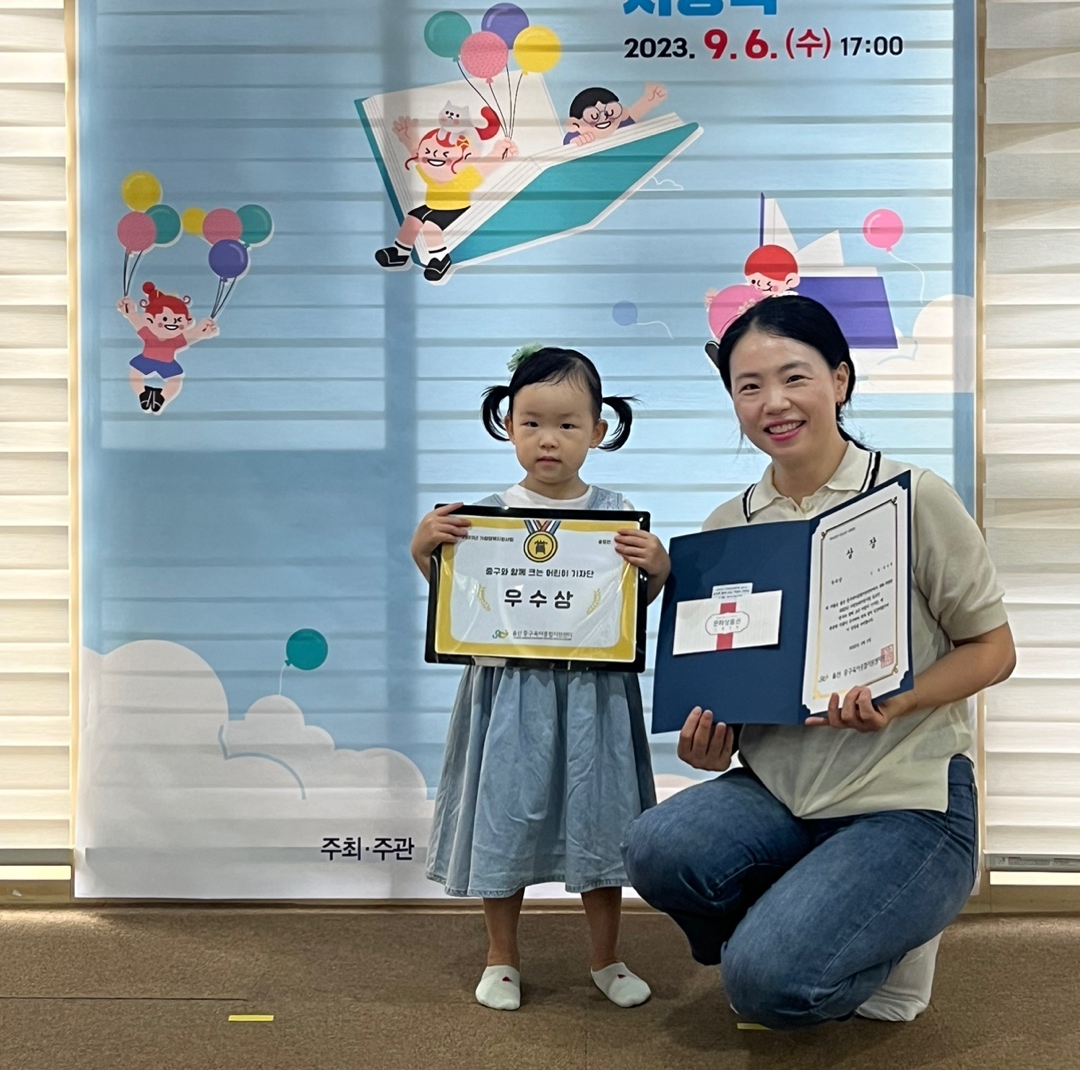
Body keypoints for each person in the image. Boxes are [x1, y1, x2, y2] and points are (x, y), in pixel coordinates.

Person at [624, 295, 1015, 1030]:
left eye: (794, 377)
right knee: (655, 847)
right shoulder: (726, 529)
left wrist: (900, 700)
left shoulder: (913, 498)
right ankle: (814, 919)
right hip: (781, 793)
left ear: (839, 380)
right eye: (749, 386)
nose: (773, 402)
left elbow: (993, 650)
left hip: (908, 798)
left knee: (767, 987)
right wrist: (712, 744)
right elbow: (737, 690)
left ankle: (869, 930)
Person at [413, 346, 670, 1011]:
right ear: (507, 426)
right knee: (505, 815)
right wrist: (423, 546)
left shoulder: (617, 514)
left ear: (598, 431)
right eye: (531, 423)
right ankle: (500, 958)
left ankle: (606, 958)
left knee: (602, 816)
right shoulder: (481, 519)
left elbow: (627, 612)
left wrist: (658, 570)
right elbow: (458, 601)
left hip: (593, 696)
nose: (547, 439)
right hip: (509, 696)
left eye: (566, 424)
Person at [375, 120, 516, 283]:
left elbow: (485, 167)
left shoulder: (465, 177)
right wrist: (407, 138)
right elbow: (417, 154)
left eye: (445, 155)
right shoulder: (430, 172)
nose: (434, 157)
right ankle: (400, 252)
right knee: (412, 219)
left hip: (455, 207)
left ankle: (440, 258)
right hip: (432, 205)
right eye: (429, 152)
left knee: (430, 226)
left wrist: (498, 153)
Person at [117, 281, 218, 413]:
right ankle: (143, 395)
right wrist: (130, 312)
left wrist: (202, 331)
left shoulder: (175, 340)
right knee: (135, 374)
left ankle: (160, 398)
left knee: (174, 380)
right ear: (150, 319)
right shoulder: (149, 334)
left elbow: (193, 334)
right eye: (164, 319)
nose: (172, 324)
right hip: (146, 359)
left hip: (167, 363)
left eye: (178, 320)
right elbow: (135, 319)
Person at [562, 83, 667, 146]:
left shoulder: (621, 126)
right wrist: (576, 142)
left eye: (610, 112)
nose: (604, 118)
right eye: (594, 116)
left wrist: (649, 100)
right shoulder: (575, 134)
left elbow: (635, 112)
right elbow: (568, 142)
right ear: (575, 125)